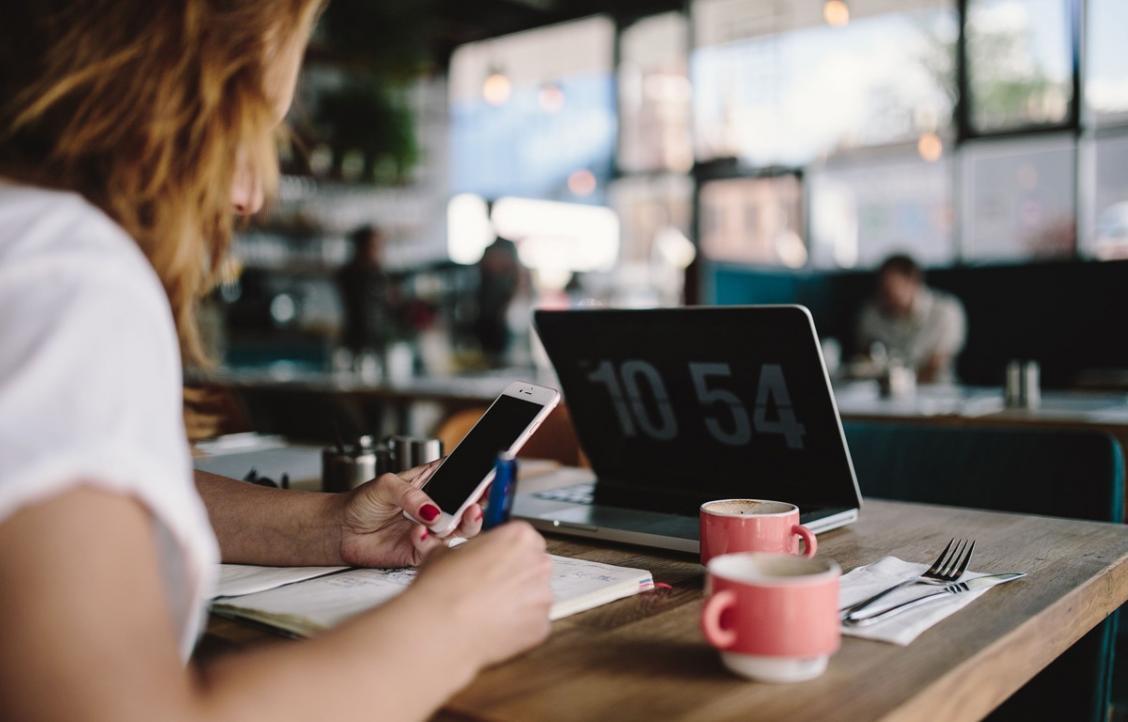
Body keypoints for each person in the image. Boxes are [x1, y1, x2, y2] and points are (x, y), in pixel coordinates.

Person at [0, 3, 553, 722]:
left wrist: (332, 527)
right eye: (254, 127)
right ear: (172, 90)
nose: (250, 196)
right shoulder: (64, 275)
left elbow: (57, 496)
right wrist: (452, 624)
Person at [855, 254, 967, 384]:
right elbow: (864, 361)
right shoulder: (871, 313)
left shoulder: (946, 311)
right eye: (882, 290)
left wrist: (898, 382)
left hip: (936, 393)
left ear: (913, 282)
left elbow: (936, 366)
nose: (885, 298)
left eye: (890, 290)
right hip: (881, 395)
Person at [337, 224, 398, 359]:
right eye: (373, 246)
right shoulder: (348, 275)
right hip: (354, 343)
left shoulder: (380, 275)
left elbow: (390, 308)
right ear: (360, 247)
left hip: (380, 342)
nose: (378, 251)